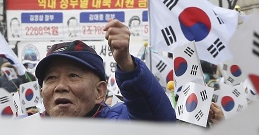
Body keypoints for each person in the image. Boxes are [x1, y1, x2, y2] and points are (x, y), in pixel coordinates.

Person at [34, 19, 175, 121]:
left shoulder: (121, 125)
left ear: (99, 91)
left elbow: (157, 121)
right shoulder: (24, 133)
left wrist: (126, 64)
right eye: (51, 78)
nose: (60, 87)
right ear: (42, 92)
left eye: (73, 75)